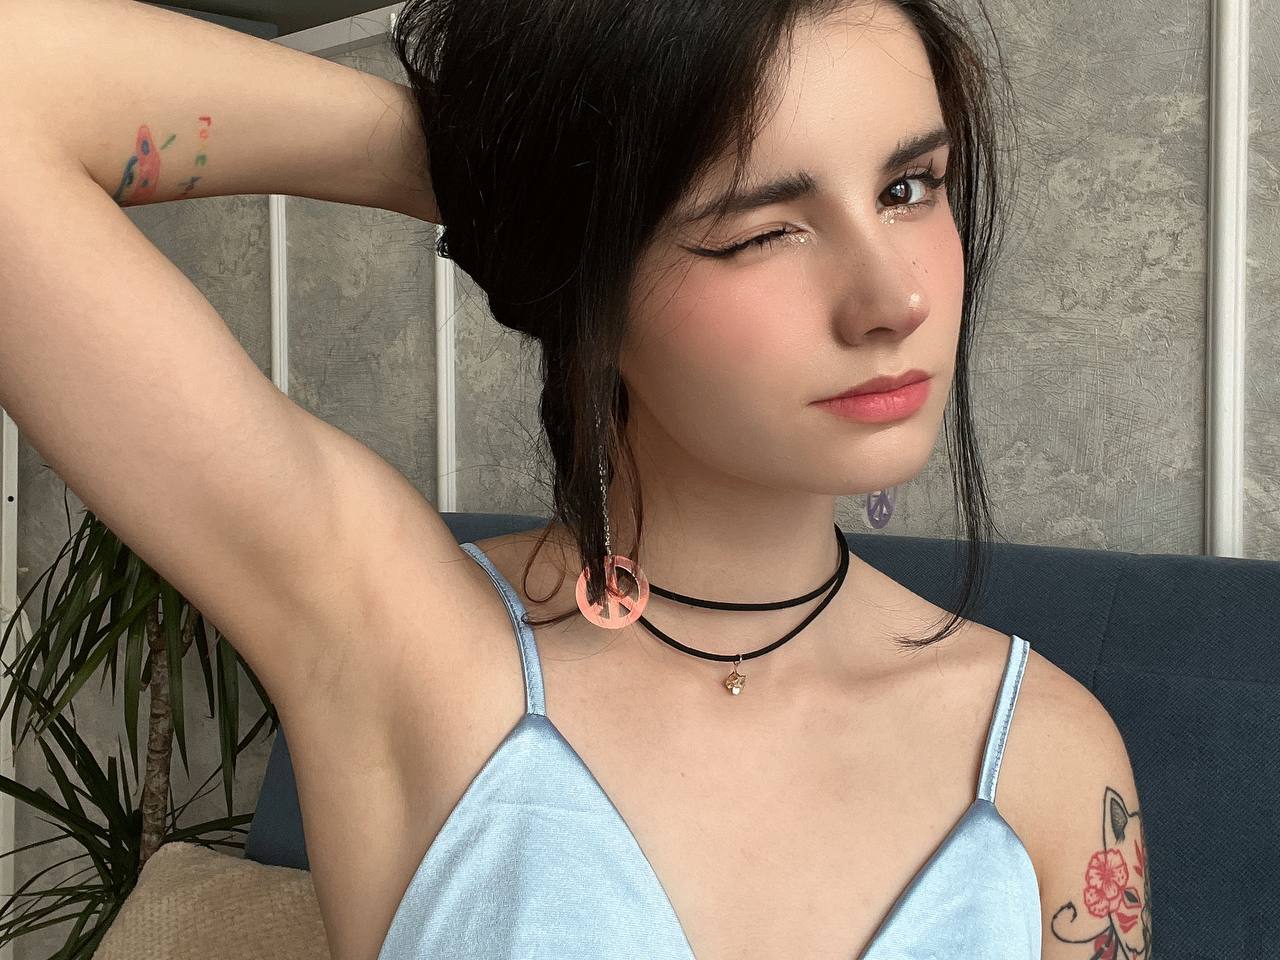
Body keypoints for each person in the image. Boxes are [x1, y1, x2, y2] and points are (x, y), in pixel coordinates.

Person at [0, 0, 1153, 958]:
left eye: (907, 187)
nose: (892, 298)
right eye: (760, 227)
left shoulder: (1047, 757)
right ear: (592, 273)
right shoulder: (405, 647)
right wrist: (518, 184)